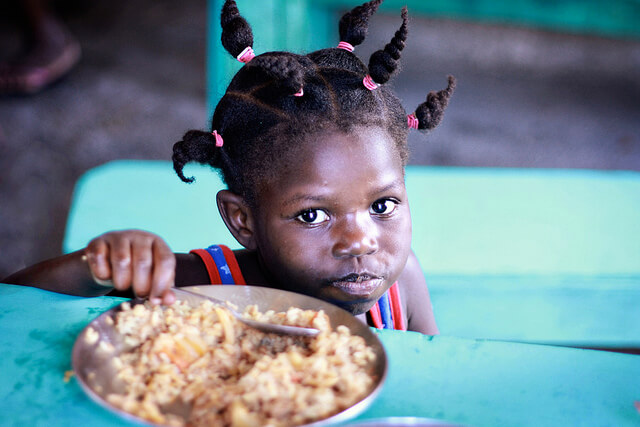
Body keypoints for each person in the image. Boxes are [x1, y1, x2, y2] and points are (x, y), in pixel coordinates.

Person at [3, 0, 455, 334]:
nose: (360, 240)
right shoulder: (202, 287)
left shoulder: (402, 282)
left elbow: (431, 381)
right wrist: (96, 268)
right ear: (242, 220)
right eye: (312, 215)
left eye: (383, 205)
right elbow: (15, 301)